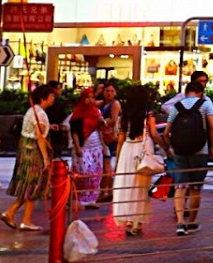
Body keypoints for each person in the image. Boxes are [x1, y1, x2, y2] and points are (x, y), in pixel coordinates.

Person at [165, 78, 213, 236]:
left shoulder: (176, 107)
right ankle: (192, 222)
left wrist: (172, 147)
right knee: (195, 188)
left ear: (186, 92)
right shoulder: (205, 104)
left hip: (180, 152)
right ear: (200, 93)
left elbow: (166, 132)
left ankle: (180, 223)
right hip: (200, 150)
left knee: (180, 187)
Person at [2, 83, 56, 232]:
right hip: (33, 154)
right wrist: (45, 158)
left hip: (25, 150)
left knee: (28, 186)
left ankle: (11, 213)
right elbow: (40, 137)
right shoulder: (40, 114)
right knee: (33, 185)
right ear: (44, 98)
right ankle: (25, 220)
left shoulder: (32, 111)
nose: (54, 98)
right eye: (52, 96)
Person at [113, 85, 163, 236]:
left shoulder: (125, 114)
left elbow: (120, 139)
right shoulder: (148, 114)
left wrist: (117, 158)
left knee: (127, 186)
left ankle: (128, 221)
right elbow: (154, 133)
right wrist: (166, 147)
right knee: (141, 187)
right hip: (143, 150)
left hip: (128, 150)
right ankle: (138, 223)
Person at [68, 87, 106, 208]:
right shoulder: (78, 113)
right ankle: (78, 198)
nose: (90, 100)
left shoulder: (97, 112)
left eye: (92, 98)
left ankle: (91, 200)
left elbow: (101, 129)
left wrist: (103, 144)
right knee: (84, 173)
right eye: (87, 98)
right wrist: (78, 147)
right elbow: (74, 132)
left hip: (96, 147)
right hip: (84, 147)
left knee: (95, 173)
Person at [97, 82, 121, 204]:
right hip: (103, 136)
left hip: (109, 137)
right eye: (107, 91)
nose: (109, 93)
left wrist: (102, 122)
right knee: (106, 164)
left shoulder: (115, 104)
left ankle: (105, 191)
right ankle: (109, 191)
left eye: (112, 91)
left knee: (107, 165)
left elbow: (113, 120)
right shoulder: (101, 103)